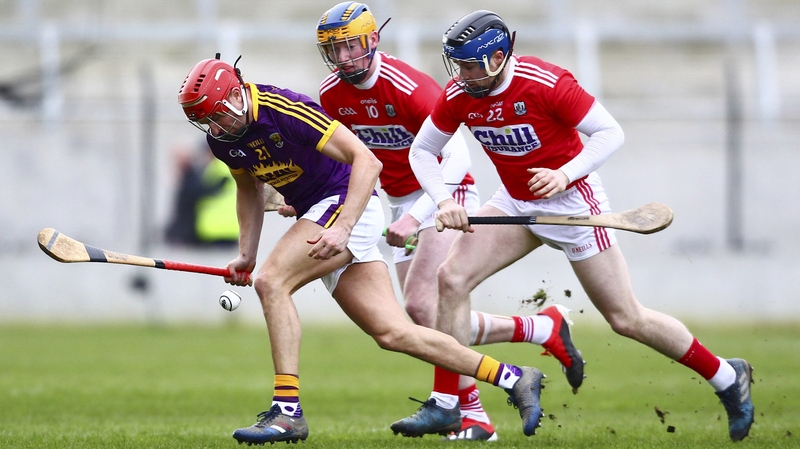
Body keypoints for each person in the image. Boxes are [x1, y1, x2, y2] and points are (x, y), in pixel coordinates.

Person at [402, 9, 755, 442]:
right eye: (458, 66)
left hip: (573, 205)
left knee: (626, 318)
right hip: (515, 204)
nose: (462, 75)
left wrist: (564, 174)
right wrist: (442, 200)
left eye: (470, 66)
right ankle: (448, 403)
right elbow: (422, 151)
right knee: (450, 278)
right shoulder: (461, 93)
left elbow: (609, 132)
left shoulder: (546, 82)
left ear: (497, 58)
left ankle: (725, 375)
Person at [176, 54, 548, 445]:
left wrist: (344, 228)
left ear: (236, 95)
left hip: (347, 204)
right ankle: (513, 377)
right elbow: (248, 189)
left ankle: (287, 412)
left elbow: (366, 162)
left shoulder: (283, 109)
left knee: (272, 283)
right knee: (394, 333)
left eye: (216, 115)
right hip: (321, 214)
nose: (214, 127)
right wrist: (246, 254)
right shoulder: (222, 138)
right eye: (204, 121)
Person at [314, 2, 585, 441]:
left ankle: (461, 410)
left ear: (372, 40)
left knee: (426, 305)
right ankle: (538, 331)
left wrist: (424, 212)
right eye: (335, 49)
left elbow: (456, 156)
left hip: (446, 194)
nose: (344, 58)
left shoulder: (407, 87)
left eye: (351, 46)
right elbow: (349, 156)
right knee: (424, 314)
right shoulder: (331, 93)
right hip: (402, 202)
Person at [165, 143, 239, 248]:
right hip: (228, 231)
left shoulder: (215, 169)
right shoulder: (226, 167)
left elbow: (198, 192)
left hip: (213, 231)